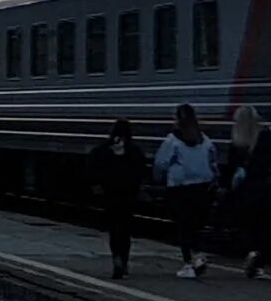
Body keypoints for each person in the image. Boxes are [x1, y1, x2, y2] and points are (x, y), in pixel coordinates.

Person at [153, 102, 219, 279]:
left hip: (180, 188)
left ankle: (189, 263)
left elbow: (161, 163)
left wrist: (158, 178)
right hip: (203, 187)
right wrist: (214, 179)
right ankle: (198, 256)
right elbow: (213, 161)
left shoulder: (172, 140)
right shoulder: (204, 139)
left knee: (184, 226)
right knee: (196, 225)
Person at [229, 105, 271, 278]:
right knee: (266, 226)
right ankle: (259, 264)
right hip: (266, 187)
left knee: (248, 224)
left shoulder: (238, 141)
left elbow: (233, 165)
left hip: (246, 190)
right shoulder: (270, 136)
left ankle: (252, 252)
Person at [88, 119, 145, 279]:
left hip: (110, 194)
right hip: (128, 194)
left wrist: (97, 184)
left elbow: (92, 165)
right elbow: (141, 170)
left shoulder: (103, 150)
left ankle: (116, 258)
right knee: (125, 230)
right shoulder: (134, 151)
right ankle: (124, 261)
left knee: (114, 228)